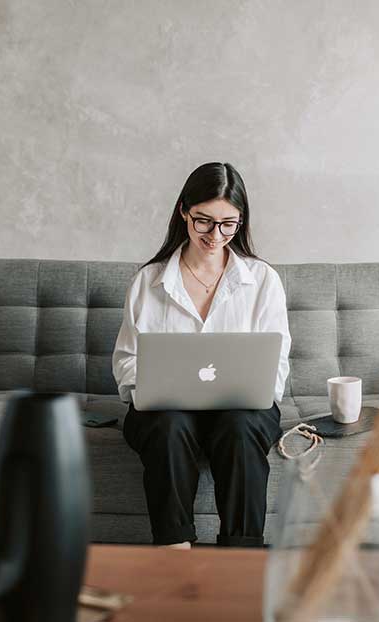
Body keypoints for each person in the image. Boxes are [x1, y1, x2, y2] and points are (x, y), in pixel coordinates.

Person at [112, 162, 291, 548]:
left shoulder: (262, 280)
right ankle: (174, 550)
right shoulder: (149, 281)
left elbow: (275, 363)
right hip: (167, 412)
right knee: (168, 427)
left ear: (241, 221)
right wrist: (152, 385)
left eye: (229, 224)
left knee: (241, 428)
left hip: (242, 410)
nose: (216, 235)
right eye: (204, 221)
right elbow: (126, 360)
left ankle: (241, 557)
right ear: (183, 212)